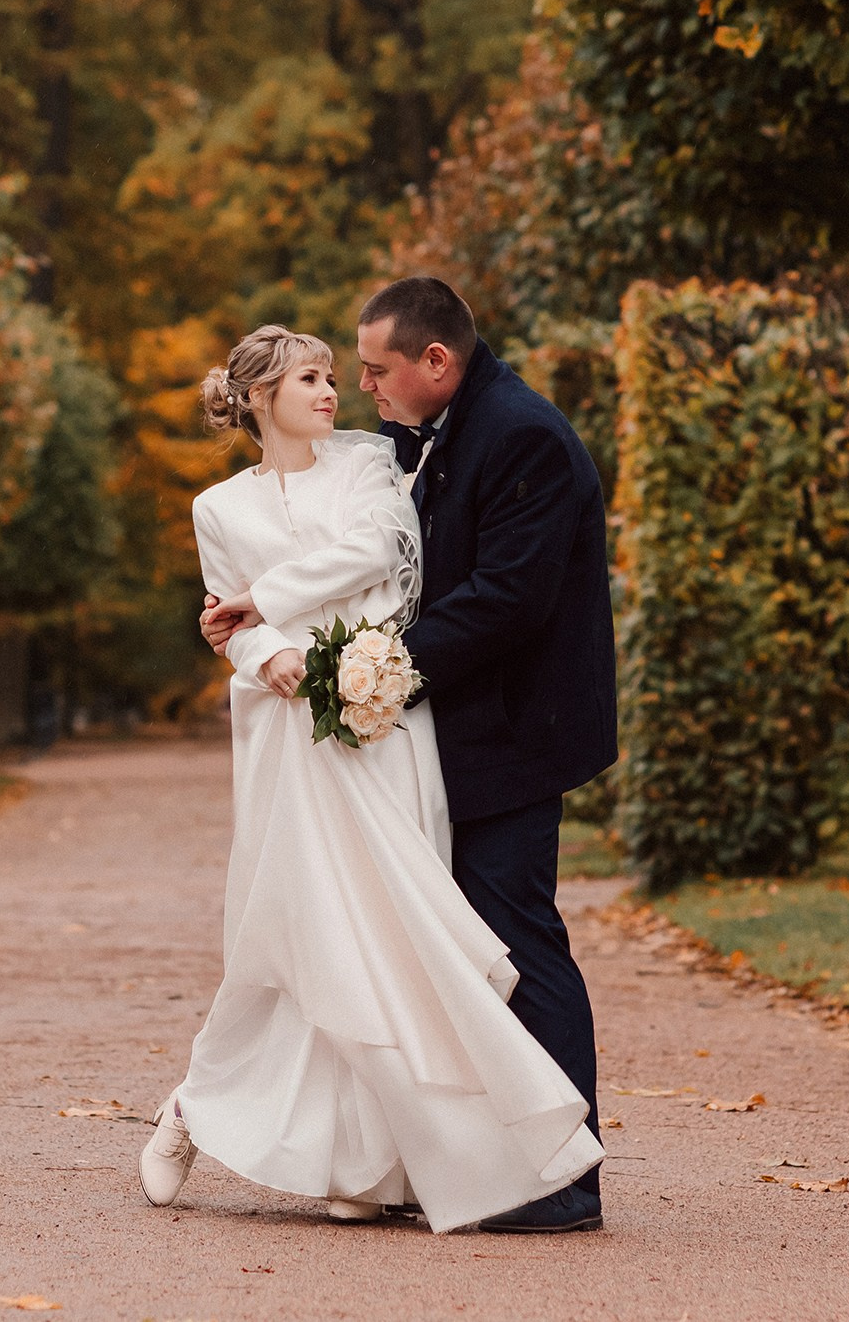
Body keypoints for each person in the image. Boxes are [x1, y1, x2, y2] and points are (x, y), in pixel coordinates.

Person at [138, 324, 602, 1234]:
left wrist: (271, 608)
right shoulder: (216, 507)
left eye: (333, 375)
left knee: (393, 943)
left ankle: (373, 1163)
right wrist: (268, 654)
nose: (332, 391)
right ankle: (199, 1101)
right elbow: (228, 619)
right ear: (261, 397)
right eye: (310, 378)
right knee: (295, 935)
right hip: (288, 743)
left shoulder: (369, 463)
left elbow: (380, 561)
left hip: (387, 727)